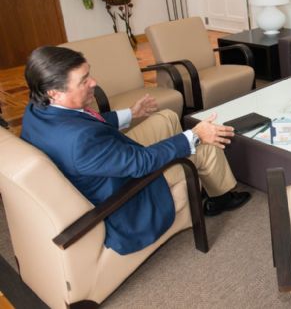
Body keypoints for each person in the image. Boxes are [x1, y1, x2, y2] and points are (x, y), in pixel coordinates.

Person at [21, 46, 250, 255]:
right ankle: (222, 196)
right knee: (202, 148)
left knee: (167, 117)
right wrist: (195, 136)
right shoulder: (79, 140)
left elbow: (84, 121)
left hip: (108, 160)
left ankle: (205, 176)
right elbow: (140, 162)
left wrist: (131, 113)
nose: (93, 82)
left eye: (89, 74)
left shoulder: (37, 109)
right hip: (124, 190)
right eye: (83, 81)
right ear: (54, 92)